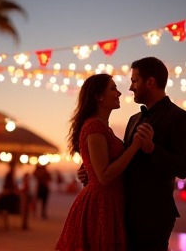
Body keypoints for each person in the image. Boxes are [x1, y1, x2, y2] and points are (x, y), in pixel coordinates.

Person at [78, 57, 186, 251]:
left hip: (153, 215)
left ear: (150, 82)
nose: (130, 87)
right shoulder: (134, 119)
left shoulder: (178, 117)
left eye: (134, 81)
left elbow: (183, 168)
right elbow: (124, 159)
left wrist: (153, 150)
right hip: (123, 212)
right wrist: (91, 170)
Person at [56, 74, 142, 250]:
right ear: (98, 96)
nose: (118, 93)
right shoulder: (94, 127)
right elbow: (103, 176)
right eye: (113, 88)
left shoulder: (102, 127)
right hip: (101, 204)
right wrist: (134, 147)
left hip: (110, 201)